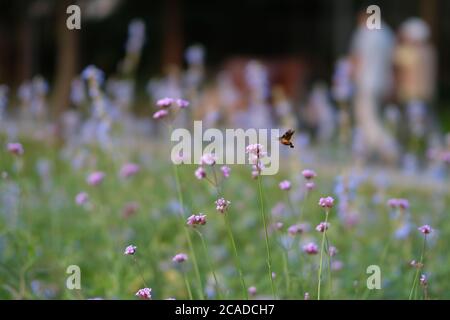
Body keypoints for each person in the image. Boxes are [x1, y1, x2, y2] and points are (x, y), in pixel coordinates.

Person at [350, 11, 398, 162]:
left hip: (366, 82)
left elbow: (357, 59)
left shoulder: (364, 33)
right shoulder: (387, 33)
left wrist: (351, 79)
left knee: (367, 120)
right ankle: (365, 154)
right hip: (384, 82)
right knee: (374, 117)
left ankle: (390, 149)